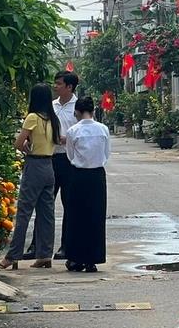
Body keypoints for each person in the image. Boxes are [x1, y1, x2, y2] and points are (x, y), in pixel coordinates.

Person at [0, 84, 61, 270]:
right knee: (46, 214)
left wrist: (26, 147)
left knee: (24, 212)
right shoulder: (53, 119)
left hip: (34, 165)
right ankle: (44, 255)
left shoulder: (32, 117)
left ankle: (13, 256)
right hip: (49, 166)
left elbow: (18, 143)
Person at [24, 70, 78, 260]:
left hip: (69, 160)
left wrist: (67, 140)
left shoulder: (78, 107)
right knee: (43, 204)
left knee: (69, 204)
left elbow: (83, 132)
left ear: (69, 87)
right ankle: (36, 246)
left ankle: (66, 246)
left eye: (59, 84)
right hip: (49, 158)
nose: (55, 87)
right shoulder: (51, 106)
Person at [64, 96, 111, 273]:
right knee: (96, 217)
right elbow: (107, 153)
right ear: (93, 111)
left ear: (76, 111)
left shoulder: (73, 131)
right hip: (97, 176)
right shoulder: (103, 129)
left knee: (76, 217)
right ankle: (93, 259)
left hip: (78, 175)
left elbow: (70, 155)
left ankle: (76, 258)